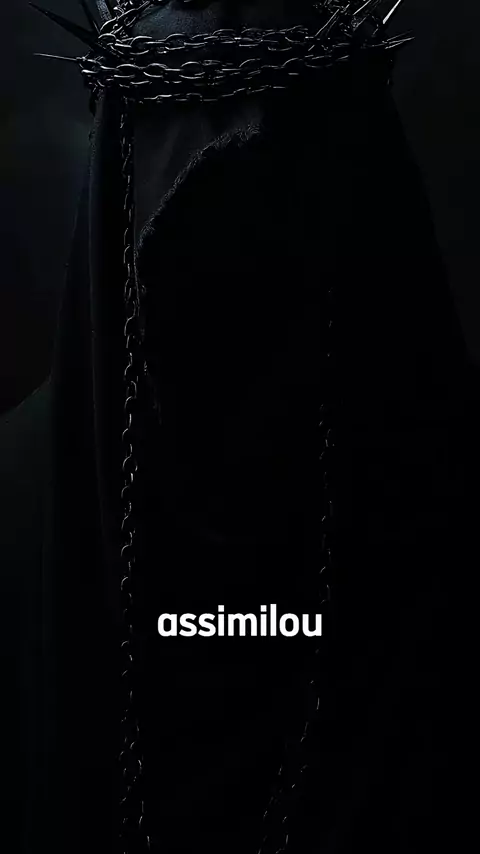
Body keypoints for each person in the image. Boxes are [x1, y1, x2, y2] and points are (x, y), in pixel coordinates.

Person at [1, 1, 478, 852]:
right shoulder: (17, 508)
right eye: (192, 264)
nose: (234, 319)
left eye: (270, 263)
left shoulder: (440, 509)